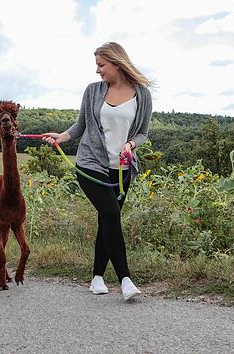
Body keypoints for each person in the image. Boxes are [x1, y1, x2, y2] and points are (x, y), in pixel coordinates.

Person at [42, 42, 152, 301]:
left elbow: (143, 133)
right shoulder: (93, 91)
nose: (98, 71)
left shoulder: (142, 94)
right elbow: (80, 126)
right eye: (97, 66)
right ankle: (125, 280)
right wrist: (62, 137)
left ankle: (97, 277)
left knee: (107, 219)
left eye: (101, 65)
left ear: (116, 63)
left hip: (123, 169)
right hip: (91, 164)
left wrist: (132, 144)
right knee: (112, 214)